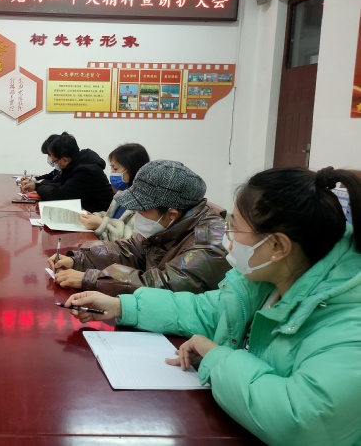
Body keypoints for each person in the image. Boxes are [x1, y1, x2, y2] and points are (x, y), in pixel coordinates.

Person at [63, 166, 361, 446]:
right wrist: (122, 306)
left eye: (235, 230)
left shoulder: (349, 324)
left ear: (278, 246)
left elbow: (301, 421)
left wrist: (216, 358)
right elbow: (203, 310)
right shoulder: (266, 281)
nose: (227, 240)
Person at [48, 159, 229, 295]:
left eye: (142, 210)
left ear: (172, 214)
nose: (136, 215)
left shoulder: (211, 244)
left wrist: (92, 279)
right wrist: (78, 260)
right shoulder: (169, 225)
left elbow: (164, 286)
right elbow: (130, 250)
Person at [21, 133, 114, 212]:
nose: (54, 164)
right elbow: (63, 186)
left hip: (99, 217)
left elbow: (59, 196)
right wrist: (37, 184)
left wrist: (37, 187)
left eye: (55, 162)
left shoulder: (85, 171)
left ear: (65, 160)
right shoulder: (77, 164)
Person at [78, 143, 150, 241]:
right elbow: (111, 218)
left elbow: (131, 243)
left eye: (115, 169)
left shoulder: (143, 204)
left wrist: (101, 224)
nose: (112, 173)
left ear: (133, 170)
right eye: (111, 168)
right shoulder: (122, 195)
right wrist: (93, 216)